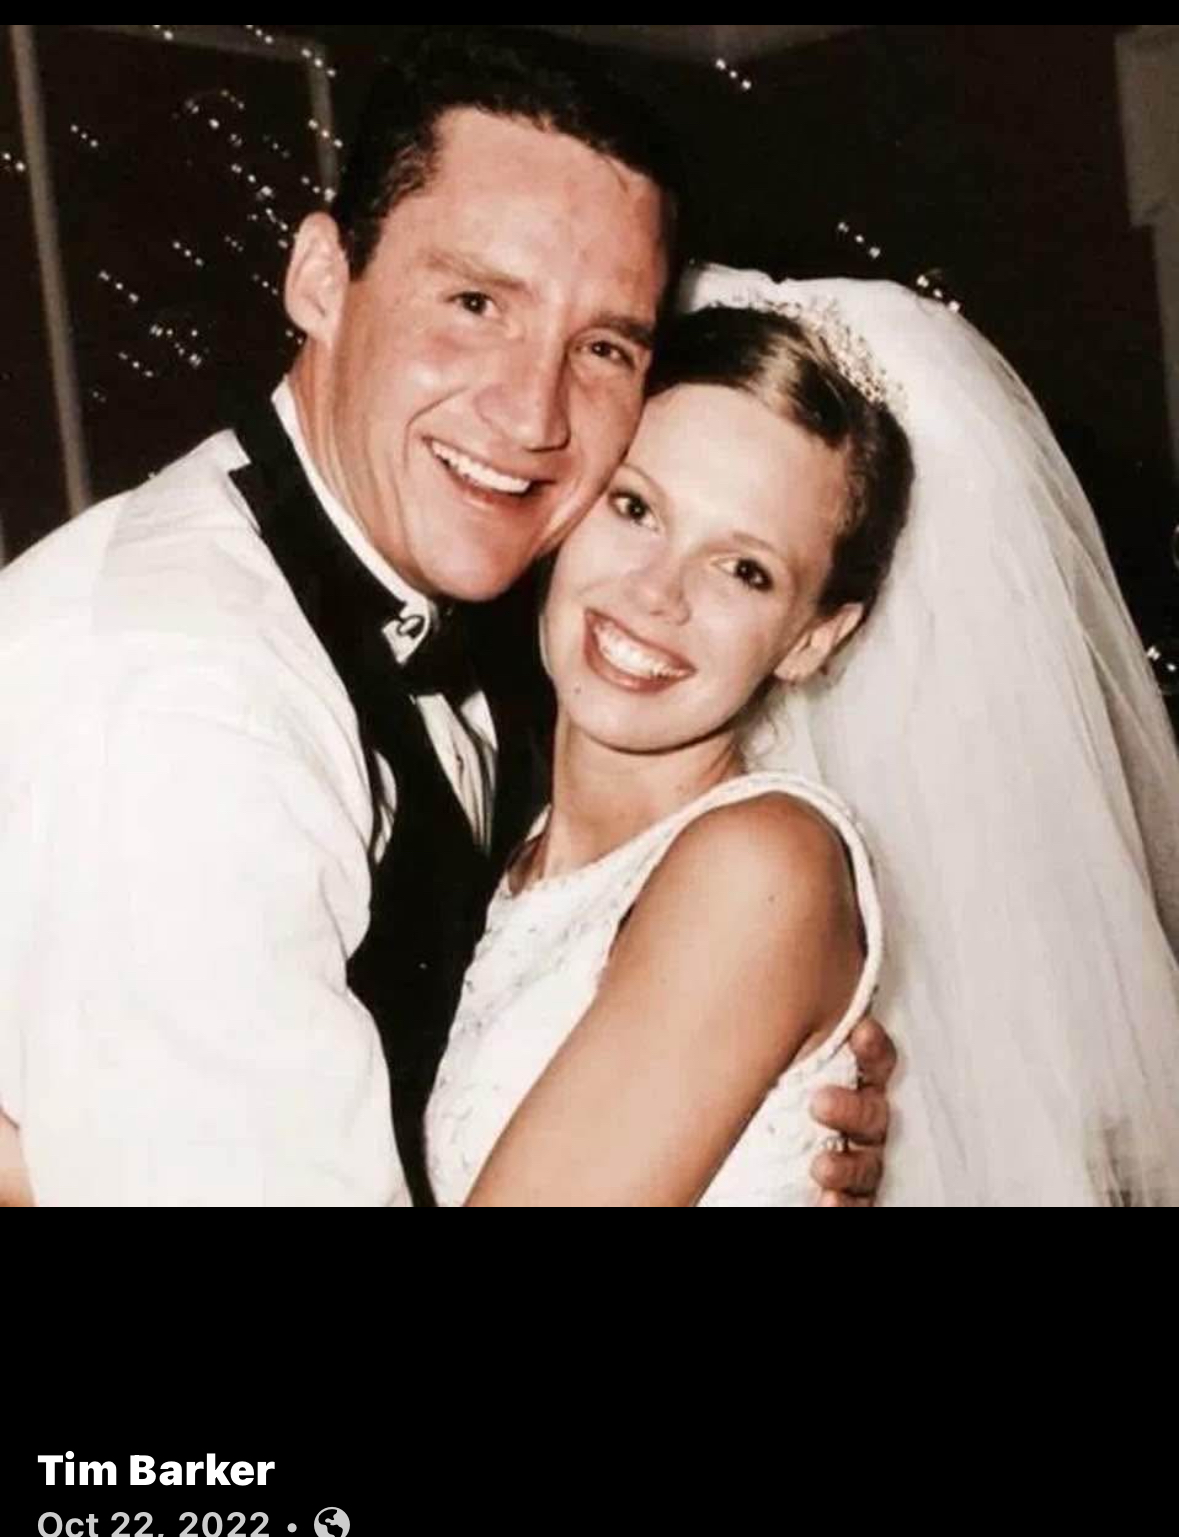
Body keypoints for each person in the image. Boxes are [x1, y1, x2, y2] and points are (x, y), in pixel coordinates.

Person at [0, 31, 891, 1207]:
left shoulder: (480, 646)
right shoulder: (191, 697)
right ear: (322, 279)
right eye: (477, 302)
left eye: (602, 346)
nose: (532, 415)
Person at [426, 269, 1179, 1208]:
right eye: (636, 508)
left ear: (813, 637)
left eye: (743, 569)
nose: (657, 592)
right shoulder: (506, 820)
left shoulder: (756, 866)